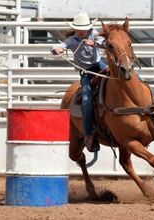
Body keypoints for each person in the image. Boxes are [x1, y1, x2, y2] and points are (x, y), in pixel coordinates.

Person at [51, 12, 108, 152]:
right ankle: (88, 134)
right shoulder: (72, 40)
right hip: (87, 72)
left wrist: (94, 43)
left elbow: (106, 43)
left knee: (119, 77)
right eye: (79, 28)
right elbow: (60, 46)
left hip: (99, 65)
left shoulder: (93, 34)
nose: (81, 31)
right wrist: (56, 50)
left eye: (83, 28)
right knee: (87, 99)